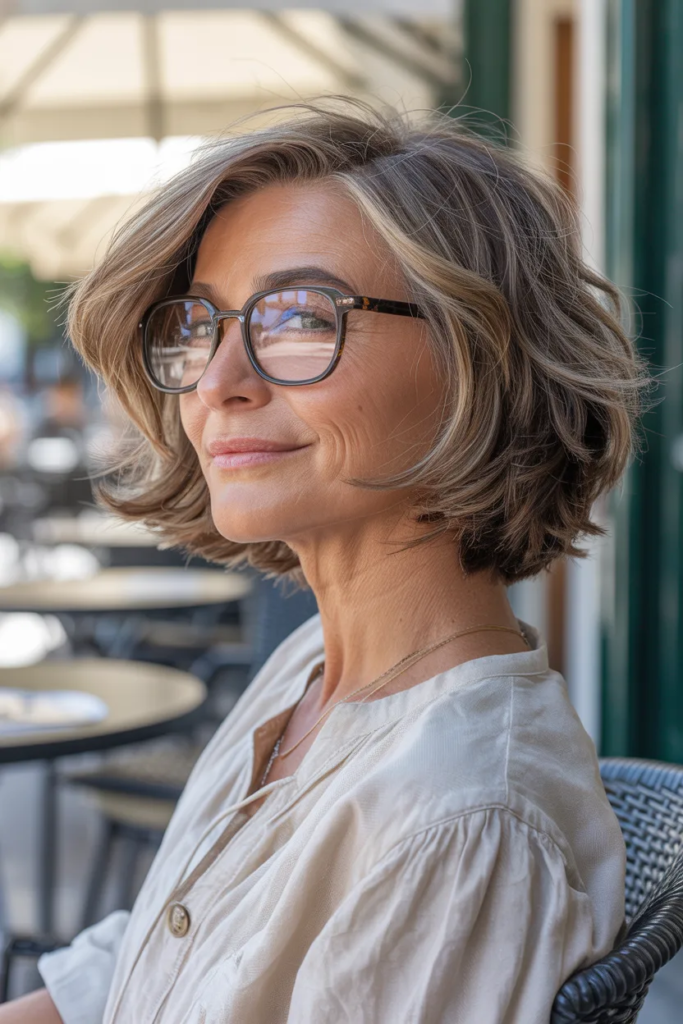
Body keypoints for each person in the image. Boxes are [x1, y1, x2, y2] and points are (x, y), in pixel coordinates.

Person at [1, 99, 650, 1023]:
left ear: (481, 359)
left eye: (298, 316)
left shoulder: (454, 824)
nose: (220, 382)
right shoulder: (306, 672)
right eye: (201, 325)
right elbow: (161, 965)